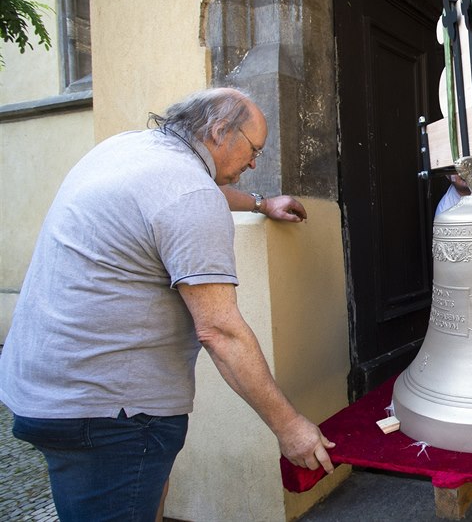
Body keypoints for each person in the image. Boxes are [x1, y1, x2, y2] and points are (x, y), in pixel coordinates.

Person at [0, 87, 336, 521]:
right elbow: (221, 332)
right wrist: (291, 430)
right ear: (219, 131)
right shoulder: (189, 194)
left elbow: (189, 191)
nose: (254, 162)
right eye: (254, 149)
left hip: (48, 386)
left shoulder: (129, 149)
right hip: (108, 413)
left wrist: (259, 203)